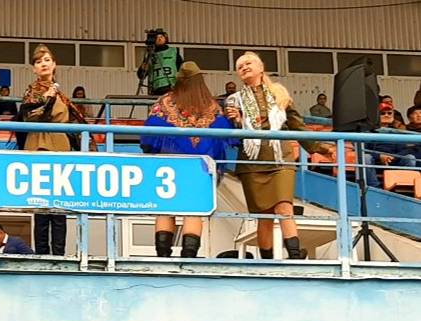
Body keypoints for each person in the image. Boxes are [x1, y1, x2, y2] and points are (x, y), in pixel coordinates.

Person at [225, 51, 334, 259]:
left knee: (284, 207)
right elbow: (233, 133)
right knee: (263, 215)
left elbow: (296, 125)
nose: (244, 67)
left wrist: (320, 148)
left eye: (248, 63)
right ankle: (267, 261)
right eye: (240, 66)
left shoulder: (279, 94)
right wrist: (237, 121)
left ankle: (295, 256)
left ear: (261, 68)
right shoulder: (234, 100)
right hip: (252, 162)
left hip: (280, 158)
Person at [140, 62, 237, 258]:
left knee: (165, 210)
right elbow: (225, 138)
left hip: (169, 166)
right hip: (200, 168)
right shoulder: (212, 106)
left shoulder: (164, 102)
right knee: (193, 211)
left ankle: (163, 257)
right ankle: (189, 257)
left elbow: (149, 139)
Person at [18, 44, 87, 256]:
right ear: (34, 68)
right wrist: (46, 97)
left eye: (47, 60)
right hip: (39, 146)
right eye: (38, 61)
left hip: (60, 148)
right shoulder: (32, 91)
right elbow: (30, 116)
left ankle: (59, 253)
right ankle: (41, 253)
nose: (43, 64)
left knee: (59, 205)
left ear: (54, 64)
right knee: (41, 205)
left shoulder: (62, 95)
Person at [362, 102, 416, 188]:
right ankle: (375, 187)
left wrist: (392, 157)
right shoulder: (368, 132)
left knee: (410, 158)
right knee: (365, 157)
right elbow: (362, 150)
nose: (386, 115)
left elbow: (404, 150)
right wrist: (379, 156)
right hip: (374, 161)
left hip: (393, 161)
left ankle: (402, 187)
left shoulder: (397, 132)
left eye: (389, 113)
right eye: (383, 113)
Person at [136, 29, 183, 96]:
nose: (159, 39)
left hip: (171, 87)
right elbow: (141, 75)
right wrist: (145, 65)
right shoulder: (150, 55)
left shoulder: (173, 51)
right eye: (157, 37)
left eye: (161, 37)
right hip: (156, 90)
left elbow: (182, 68)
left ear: (165, 38)